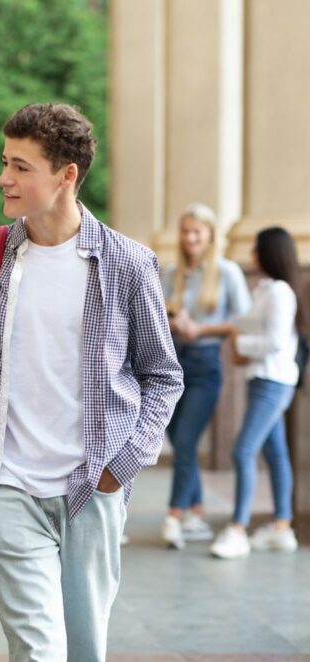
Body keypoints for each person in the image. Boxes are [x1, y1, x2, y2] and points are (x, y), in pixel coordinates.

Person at [0, 103, 183, 662]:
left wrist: (122, 463)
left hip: (92, 485)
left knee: (84, 651)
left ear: (67, 176)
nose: (3, 178)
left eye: (20, 166)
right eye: (4, 162)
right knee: (37, 650)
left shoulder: (128, 264)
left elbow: (162, 375)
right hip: (7, 481)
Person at [159, 204, 251, 549]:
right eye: (185, 231)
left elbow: (240, 322)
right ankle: (197, 510)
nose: (190, 238)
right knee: (179, 440)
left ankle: (174, 515)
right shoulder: (172, 273)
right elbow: (158, 315)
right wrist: (174, 324)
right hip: (172, 364)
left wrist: (199, 330)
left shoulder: (227, 273)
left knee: (184, 442)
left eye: (197, 232)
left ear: (210, 235)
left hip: (205, 365)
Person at [209, 227, 302, 559]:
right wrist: (236, 334)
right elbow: (245, 323)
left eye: (255, 247)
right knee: (276, 454)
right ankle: (282, 527)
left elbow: (276, 341)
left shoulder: (279, 292)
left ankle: (237, 528)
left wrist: (239, 345)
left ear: (269, 252)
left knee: (243, 450)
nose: (251, 253)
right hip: (263, 380)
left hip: (273, 382)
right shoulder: (268, 290)